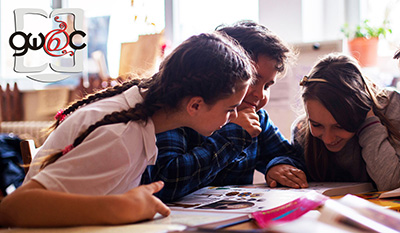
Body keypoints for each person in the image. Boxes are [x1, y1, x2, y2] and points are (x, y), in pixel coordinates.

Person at [0, 32, 255, 227]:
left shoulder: (139, 114)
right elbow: (13, 208)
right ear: (195, 105)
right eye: (230, 108)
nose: (233, 116)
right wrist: (118, 207)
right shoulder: (119, 136)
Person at [141, 20, 308, 203]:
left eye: (267, 85)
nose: (260, 94)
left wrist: (278, 166)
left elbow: (291, 156)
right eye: (253, 81)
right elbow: (164, 182)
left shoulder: (257, 119)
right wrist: (232, 136)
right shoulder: (183, 113)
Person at [292, 52, 400, 191]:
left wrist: (370, 124)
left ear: (360, 109)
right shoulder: (302, 131)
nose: (328, 139)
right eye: (316, 125)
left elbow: (392, 184)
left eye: (339, 126)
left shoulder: (392, 109)